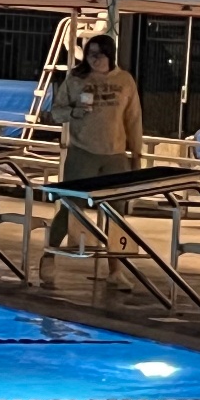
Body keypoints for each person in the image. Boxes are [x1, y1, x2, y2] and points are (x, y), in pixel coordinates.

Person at [38, 33, 142, 286]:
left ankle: (115, 269)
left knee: (116, 213)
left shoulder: (125, 80)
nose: (94, 59)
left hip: (115, 154)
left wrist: (136, 153)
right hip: (82, 152)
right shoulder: (76, 79)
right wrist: (75, 112)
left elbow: (133, 118)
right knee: (70, 205)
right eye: (90, 54)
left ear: (110, 55)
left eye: (99, 54)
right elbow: (57, 111)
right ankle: (49, 256)